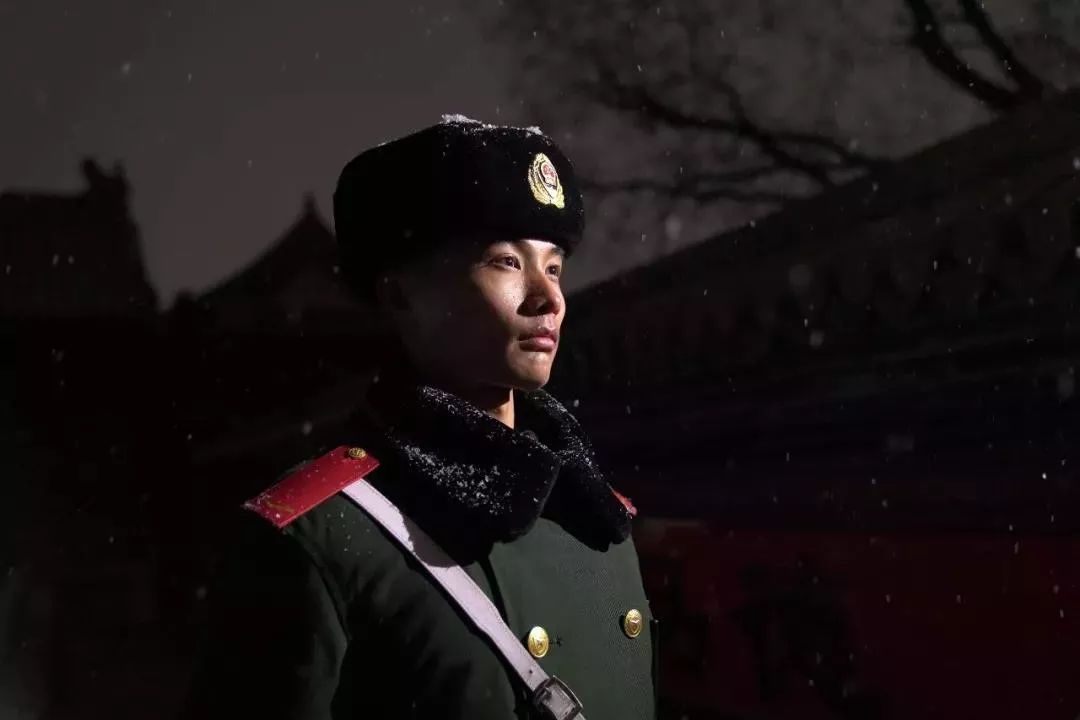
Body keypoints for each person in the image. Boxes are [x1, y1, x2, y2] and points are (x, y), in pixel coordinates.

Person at [181, 115, 657, 720]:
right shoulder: (325, 539)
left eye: (554, 266)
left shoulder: (598, 517)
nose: (549, 298)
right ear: (400, 294)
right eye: (507, 262)